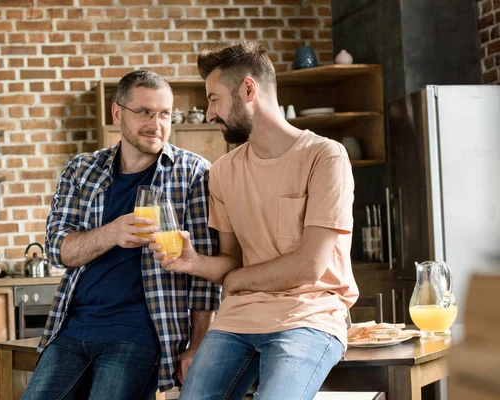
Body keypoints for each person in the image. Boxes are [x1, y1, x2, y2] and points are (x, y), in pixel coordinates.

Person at [150, 42, 358, 399]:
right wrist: (195, 263)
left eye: (214, 99)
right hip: (238, 319)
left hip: (309, 317)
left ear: (248, 89)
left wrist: (237, 280)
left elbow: (309, 266)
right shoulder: (224, 172)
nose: (210, 113)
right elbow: (234, 260)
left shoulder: (325, 157)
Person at [22, 70, 220, 400]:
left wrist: (197, 345)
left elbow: (204, 275)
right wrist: (112, 233)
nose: (155, 124)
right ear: (118, 113)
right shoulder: (81, 170)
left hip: (140, 334)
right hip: (72, 329)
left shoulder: (194, 173)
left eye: (164, 114)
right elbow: (58, 249)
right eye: (144, 112)